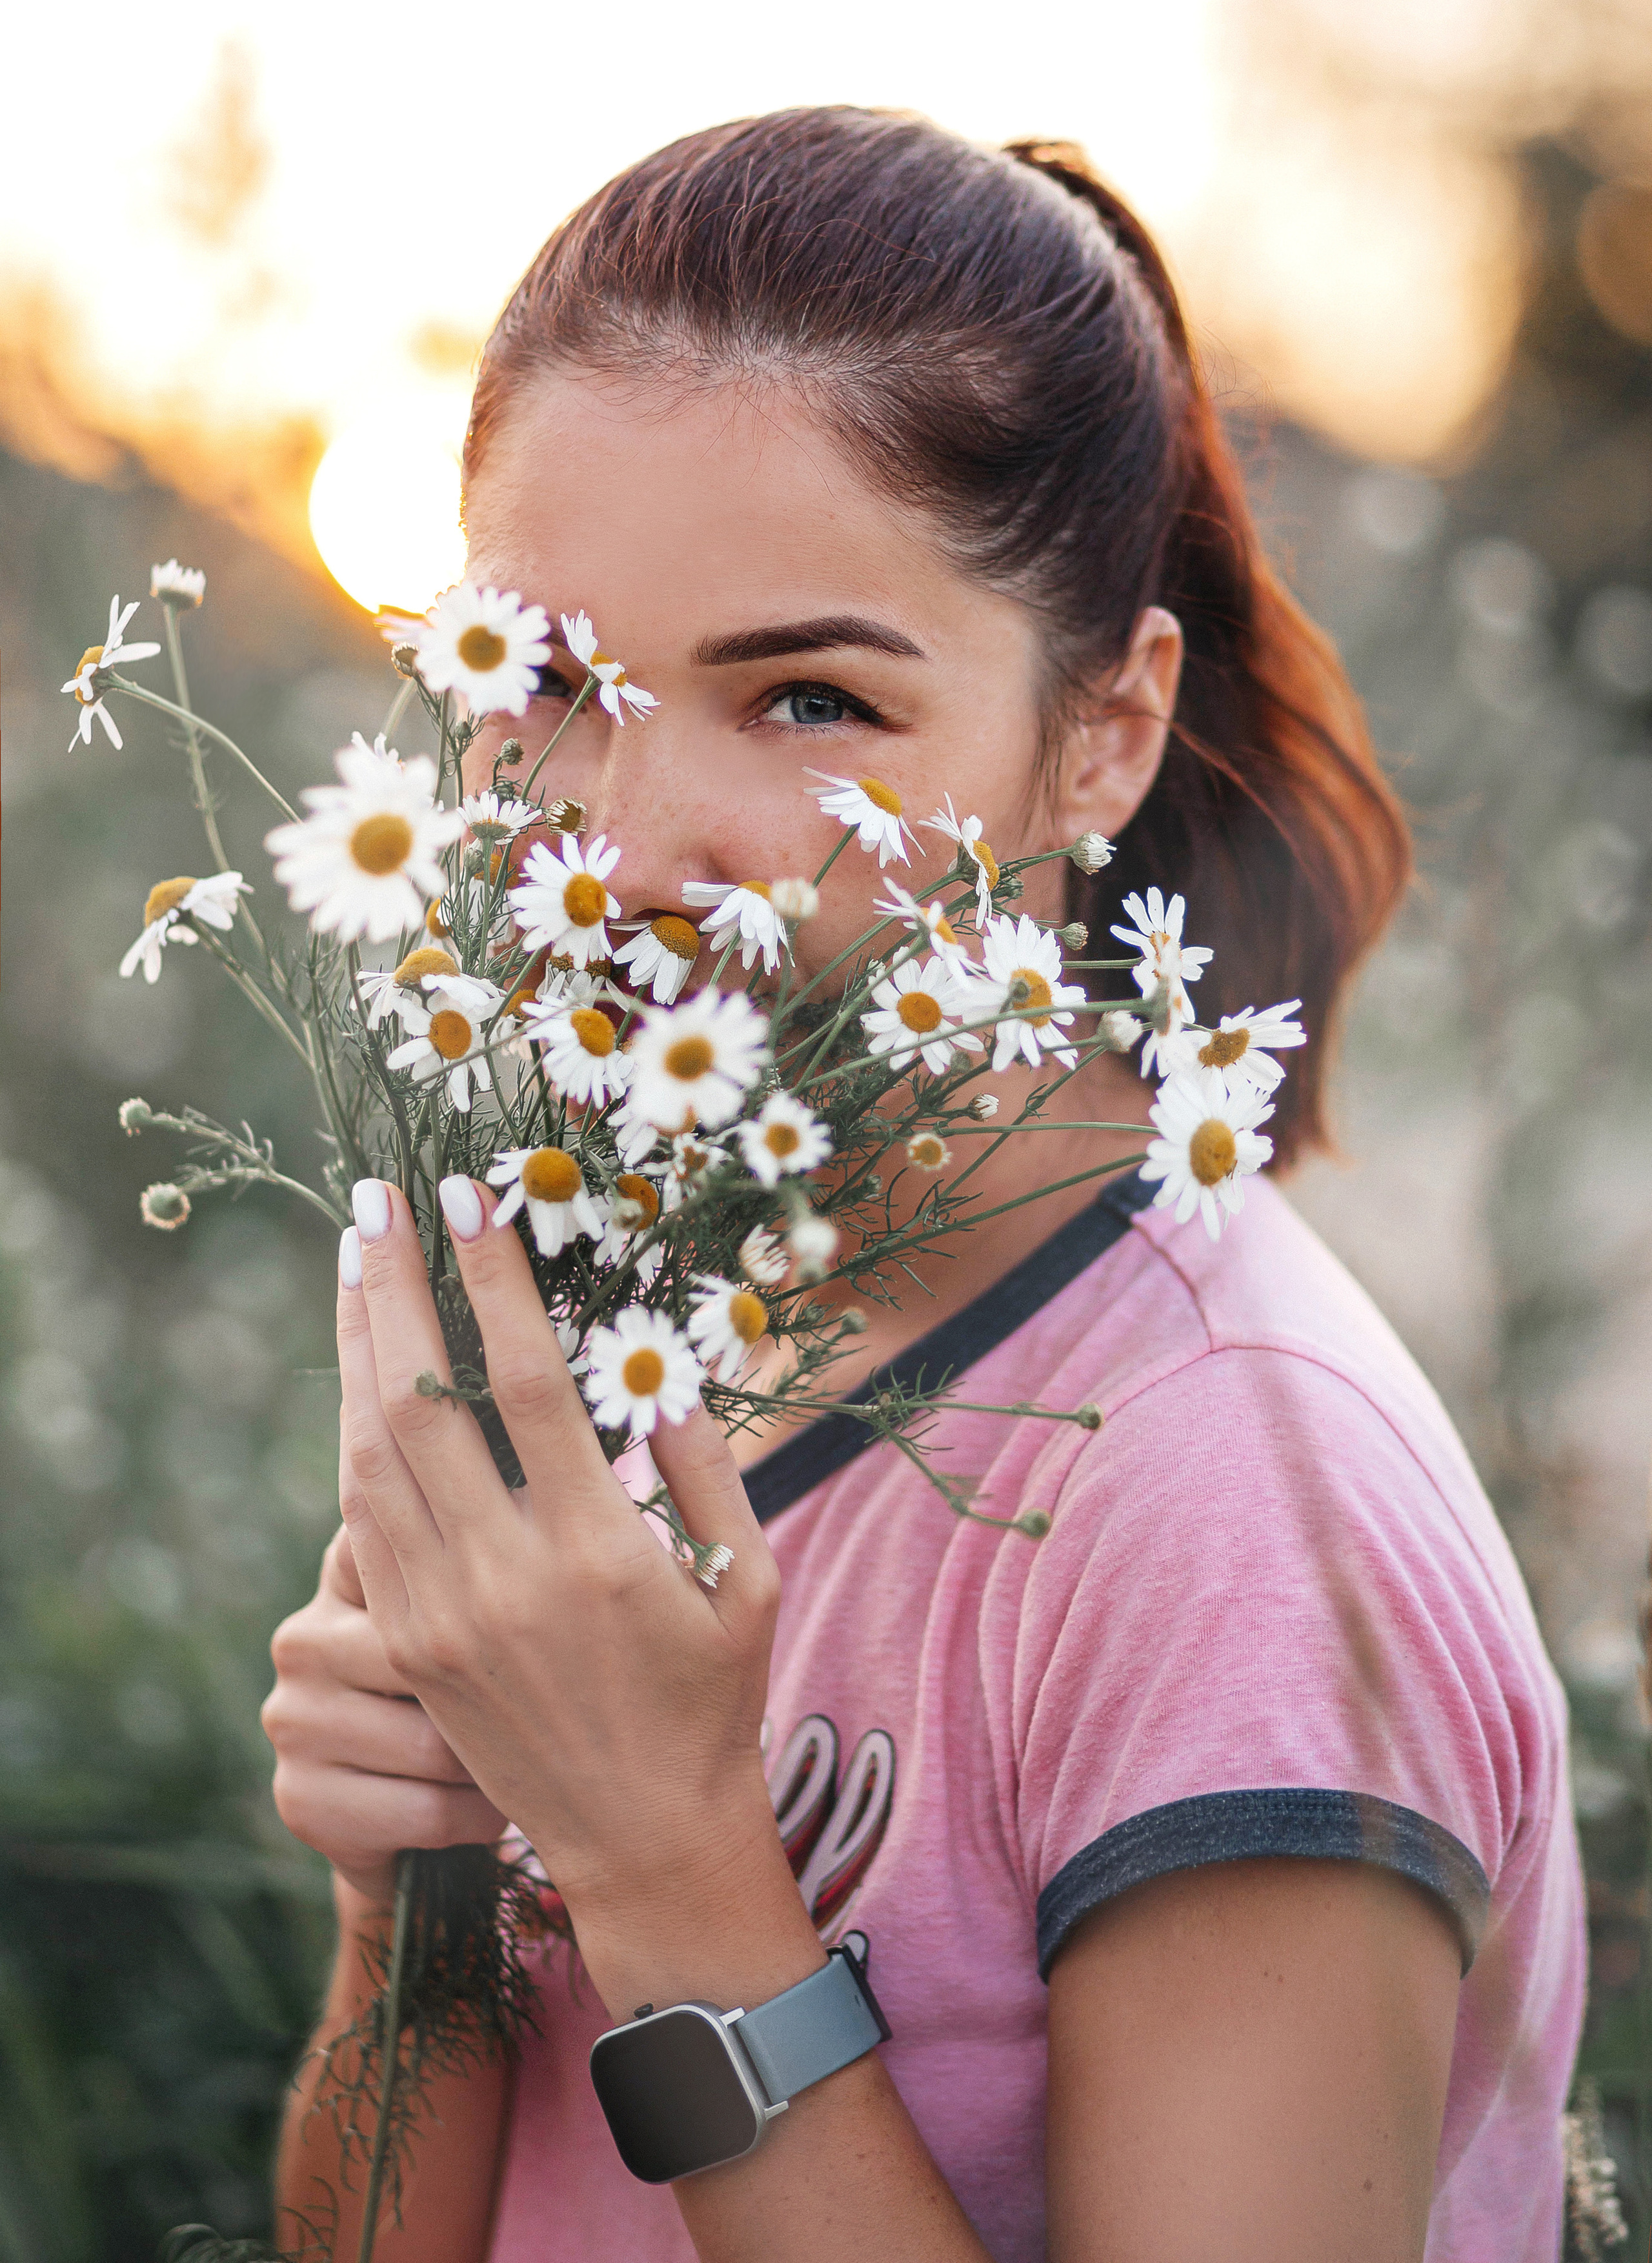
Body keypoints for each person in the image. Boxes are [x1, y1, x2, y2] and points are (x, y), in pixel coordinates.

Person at [261, 110, 1584, 2262]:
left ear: (1104, 735)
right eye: (553, 687)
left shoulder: (1228, 1505)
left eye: (809, 698)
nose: (629, 846)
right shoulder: (622, 1310)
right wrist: (404, 1901)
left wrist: (671, 1862)